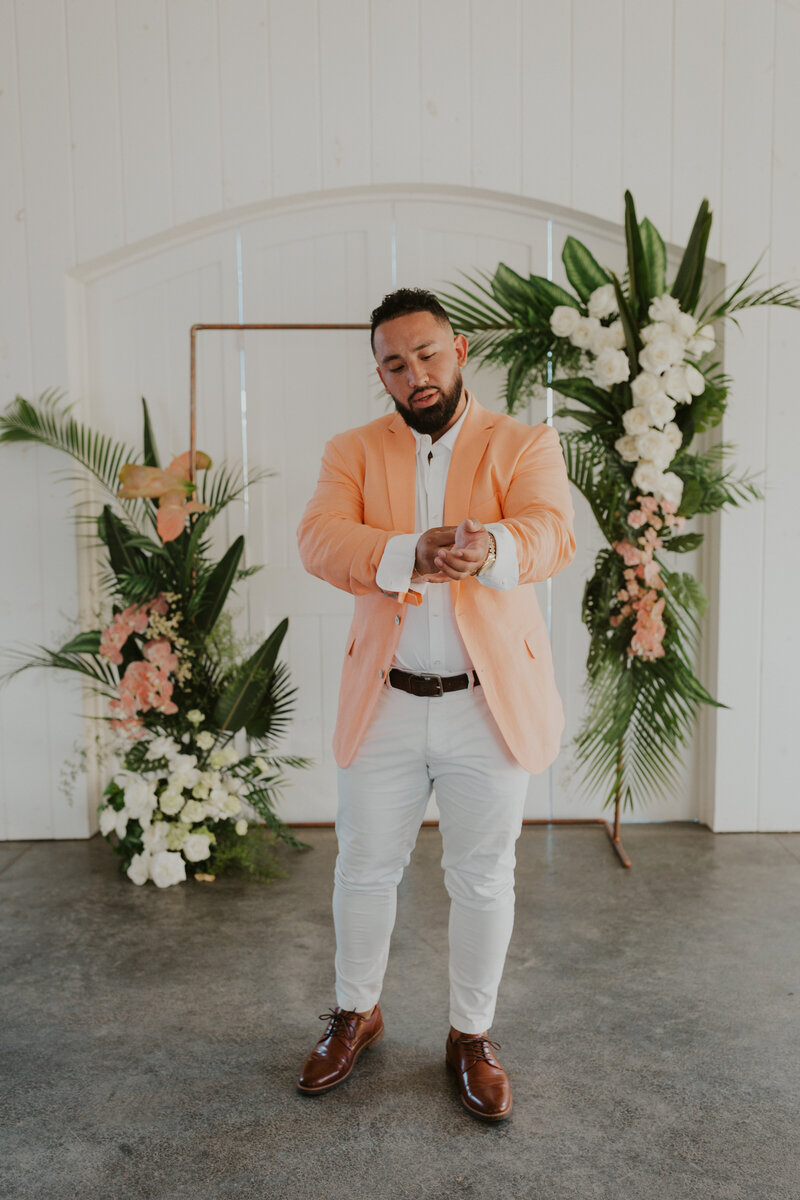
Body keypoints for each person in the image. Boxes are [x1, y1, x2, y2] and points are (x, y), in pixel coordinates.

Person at [295, 287, 575, 1121]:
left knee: (483, 877)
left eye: (426, 354)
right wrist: (405, 551)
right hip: (383, 702)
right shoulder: (351, 449)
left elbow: (554, 533)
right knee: (364, 867)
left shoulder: (525, 442)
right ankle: (356, 1013)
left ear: (459, 350)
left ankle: (470, 1035)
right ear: (379, 374)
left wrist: (494, 545)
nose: (413, 373)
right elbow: (318, 539)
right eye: (393, 363)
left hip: (485, 708)